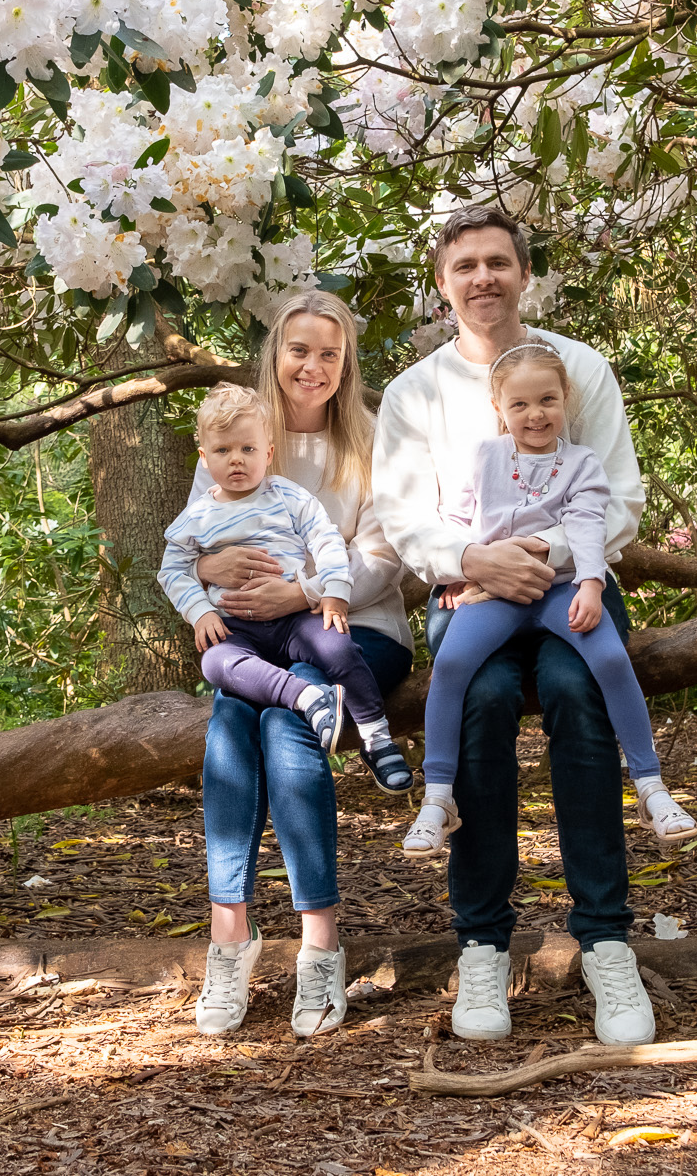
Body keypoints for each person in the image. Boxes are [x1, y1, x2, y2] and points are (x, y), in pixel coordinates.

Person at [373, 202, 659, 1047]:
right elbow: (401, 515)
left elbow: (623, 499)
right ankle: (484, 946)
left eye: (498, 262)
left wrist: (541, 552)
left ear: (524, 273)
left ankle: (606, 940)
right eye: (465, 267)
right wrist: (474, 560)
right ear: (442, 285)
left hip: (574, 587)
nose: (482, 279)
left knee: (577, 691)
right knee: (484, 701)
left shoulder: (580, 370)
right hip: (470, 596)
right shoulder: (414, 392)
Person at [182, 290, 415, 1039]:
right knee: (230, 717)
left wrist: (306, 588)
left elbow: (386, 555)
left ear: (346, 362)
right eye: (298, 350)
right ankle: (229, 934)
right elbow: (193, 544)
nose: (311, 366)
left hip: (353, 628)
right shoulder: (238, 431)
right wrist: (214, 569)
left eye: (329, 352)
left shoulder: (369, 438)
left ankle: (320, 942)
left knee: (287, 727)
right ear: (274, 354)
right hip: (253, 632)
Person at [401, 341, 695, 858]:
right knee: (452, 665)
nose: (535, 415)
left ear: (565, 400)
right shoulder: (486, 457)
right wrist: (457, 567)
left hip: (560, 587)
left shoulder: (581, 464)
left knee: (607, 656)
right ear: (499, 408)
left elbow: (587, 526)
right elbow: (456, 517)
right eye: (519, 405)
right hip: (496, 591)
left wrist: (590, 584)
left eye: (547, 401)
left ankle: (651, 785)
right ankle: (438, 796)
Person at [159, 383, 401, 765]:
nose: (236, 460)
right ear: (205, 459)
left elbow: (329, 540)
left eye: (248, 450)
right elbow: (172, 569)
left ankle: (377, 736)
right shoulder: (196, 517)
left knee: (335, 644)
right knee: (216, 667)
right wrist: (200, 612)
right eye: (223, 451)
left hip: (294, 618)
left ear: (268, 453)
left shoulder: (287, 496)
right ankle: (304, 696)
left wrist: (331, 590)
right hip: (235, 627)